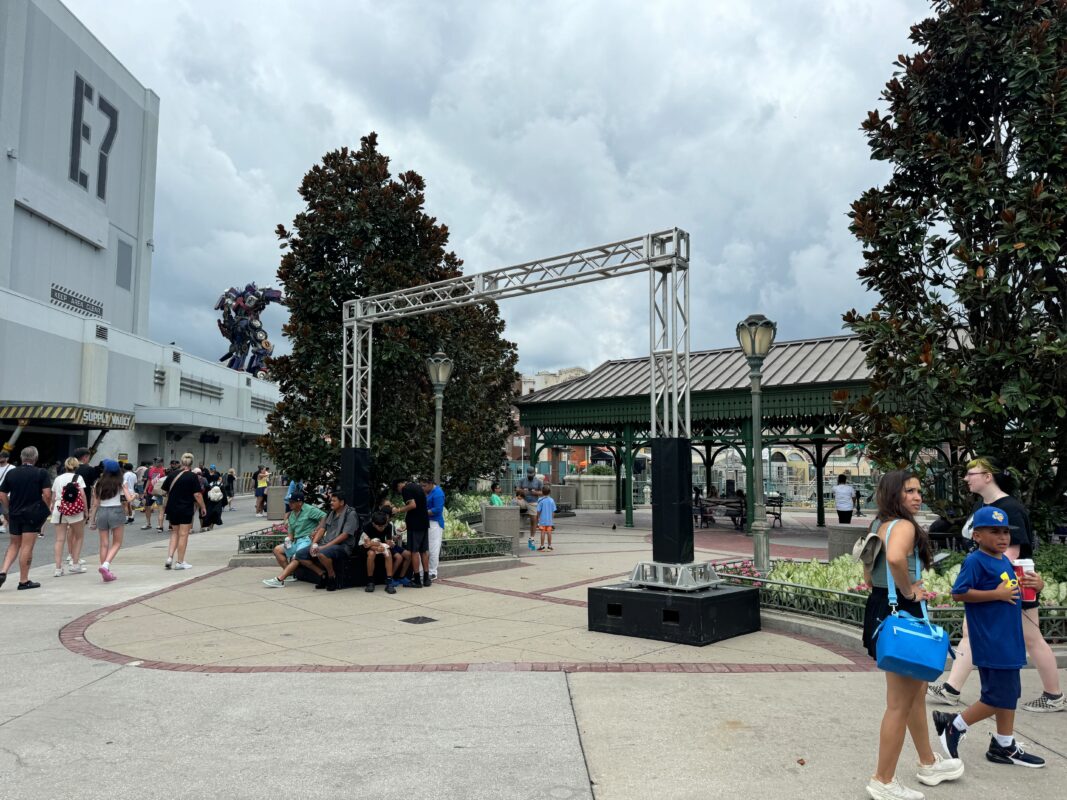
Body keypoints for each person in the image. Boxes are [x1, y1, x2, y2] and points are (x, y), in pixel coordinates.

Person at [928, 458, 1064, 713]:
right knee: (972, 632)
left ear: (988, 476)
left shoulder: (1010, 509)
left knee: (1031, 637)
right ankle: (951, 688)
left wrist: (991, 587)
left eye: (972, 473)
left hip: (1016, 586)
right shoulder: (985, 505)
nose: (967, 478)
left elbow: (1010, 554)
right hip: (999, 587)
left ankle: (1054, 694)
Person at [862, 470, 963, 800]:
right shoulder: (904, 526)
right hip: (902, 611)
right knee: (899, 704)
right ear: (894, 494)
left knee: (916, 693)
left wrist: (891, 588)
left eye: (919, 491)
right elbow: (893, 558)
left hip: (882, 607)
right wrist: (909, 589)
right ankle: (883, 779)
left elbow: (867, 568)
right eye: (909, 491)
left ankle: (928, 762)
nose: (917, 496)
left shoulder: (878, 525)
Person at [931, 506, 1046, 768]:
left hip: (1008, 638)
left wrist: (1037, 586)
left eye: (1006, 531)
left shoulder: (1004, 560)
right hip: (992, 639)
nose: (1003, 537)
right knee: (997, 696)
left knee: (1009, 693)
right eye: (994, 531)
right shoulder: (975, 561)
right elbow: (959, 593)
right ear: (977, 536)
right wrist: (996, 595)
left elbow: (1012, 591)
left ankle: (1003, 745)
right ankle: (954, 725)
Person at [0, 446, 53, 590]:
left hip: (15, 513)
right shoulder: (41, 473)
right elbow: (47, 494)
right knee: (27, 546)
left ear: (22, 458)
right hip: (32, 513)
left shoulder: (12, 473)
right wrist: (45, 508)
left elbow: (2, 494)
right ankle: (23, 580)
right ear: (35, 458)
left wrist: (9, 508)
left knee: (14, 544)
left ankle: (3, 571)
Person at [297, 490, 358, 591]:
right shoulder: (330, 513)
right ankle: (322, 574)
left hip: (343, 546)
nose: (331, 503)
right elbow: (322, 529)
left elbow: (345, 535)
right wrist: (314, 543)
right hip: (326, 543)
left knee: (321, 553)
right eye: (331, 501)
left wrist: (325, 546)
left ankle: (331, 576)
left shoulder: (350, 514)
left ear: (342, 502)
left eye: (334, 501)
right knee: (300, 555)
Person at [263, 492, 326, 588]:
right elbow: (291, 531)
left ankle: (280, 579)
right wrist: (288, 539)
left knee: (297, 555)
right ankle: (289, 574)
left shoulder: (309, 509)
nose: (289, 504)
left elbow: (324, 517)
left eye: (292, 502)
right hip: (296, 541)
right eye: (289, 501)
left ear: (299, 502)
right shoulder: (292, 514)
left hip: (307, 540)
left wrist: (316, 530)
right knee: (277, 550)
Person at [161, 453, 206, 570]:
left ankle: (169, 558)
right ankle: (180, 562)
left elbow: (164, 491)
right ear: (191, 463)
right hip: (185, 508)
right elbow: (197, 494)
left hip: (172, 508)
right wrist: (203, 507)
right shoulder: (192, 476)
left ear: (181, 462)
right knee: (183, 534)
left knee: (174, 533)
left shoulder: (172, 474)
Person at [90, 459, 128, 582]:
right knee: (117, 543)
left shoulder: (98, 483)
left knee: (104, 544)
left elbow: (95, 504)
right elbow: (127, 498)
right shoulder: (121, 482)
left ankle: (105, 572)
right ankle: (106, 565)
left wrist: (92, 520)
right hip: (116, 511)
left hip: (102, 512)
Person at [50, 457, 87, 576]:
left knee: (59, 539)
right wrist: (86, 510)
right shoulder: (78, 478)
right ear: (76, 466)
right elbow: (82, 495)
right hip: (74, 508)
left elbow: (54, 495)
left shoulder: (58, 478)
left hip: (59, 507)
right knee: (79, 536)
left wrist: (52, 507)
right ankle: (75, 564)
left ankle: (58, 568)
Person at [391, 477, 430, 587]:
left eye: (398, 490)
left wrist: (398, 510)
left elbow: (412, 505)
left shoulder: (406, 489)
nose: (400, 492)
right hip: (423, 522)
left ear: (399, 486)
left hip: (415, 525)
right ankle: (426, 579)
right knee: (424, 550)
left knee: (414, 551)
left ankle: (417, 579)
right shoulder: (417, 486)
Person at [358, 511, 398, 594]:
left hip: (381, 545)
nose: (382, 528)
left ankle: (389, 581)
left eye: (384, 525)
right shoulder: (367, 527)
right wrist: (376, 547)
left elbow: (388, 541)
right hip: (367, 547)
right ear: (373, 524)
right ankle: (370, 581)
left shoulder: (388, 526)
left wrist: (389, 543)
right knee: (371, 554)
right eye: (379, 526)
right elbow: (367, 544)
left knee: (388, 553)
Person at [421, 476, 445, 581]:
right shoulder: (427, 492)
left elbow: (437, 509)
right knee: (426, 548)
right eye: (421, 485)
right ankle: (425, 571)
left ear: (431, 484)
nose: (422, 488)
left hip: (435, 523)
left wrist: (421, 513)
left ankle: (432, 572)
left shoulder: (438, 493)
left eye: (424, 486)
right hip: (426, 522)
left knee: (433, 549)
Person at [518, 467, 543, 544]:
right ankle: (518, 529)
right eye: (529, 474)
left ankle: (532, 537)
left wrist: (535, 492)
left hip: (533, 501)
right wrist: (522, 491)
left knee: (534, 519)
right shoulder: (522, 480)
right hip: (523, 500)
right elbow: (517, 489)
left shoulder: (539, 481)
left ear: (534, 473)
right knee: (514, 502)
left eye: (531, 474)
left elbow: (542, 492)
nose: (530, 476)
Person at [141, 458, 167, 531]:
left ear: (162, 462)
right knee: (147, 506)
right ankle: (148, 523)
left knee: (160, 508)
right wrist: (145, 489)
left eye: (157, 462)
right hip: (150, 491)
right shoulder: (151, 469)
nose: (156, 463)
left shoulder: (164, 470)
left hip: (159, 492)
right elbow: (149, 480)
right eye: (155, 462)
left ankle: (160, 525)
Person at [536, 485, 557, 551]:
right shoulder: (552, 500)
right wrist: (552, 518)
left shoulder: (540, 500)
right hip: (549, 520)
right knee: (549, 532)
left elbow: (538, 510)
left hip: (542, 520)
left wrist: (538, 518)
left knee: (542, 532)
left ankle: (542, 546)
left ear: (542, 492)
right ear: (550, 492)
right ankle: (549, 546)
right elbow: (554, 511)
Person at [0, 450, 13, 534]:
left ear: (7, 458)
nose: (0, 458)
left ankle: (8, 525)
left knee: (6, 512)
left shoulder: (12, 468)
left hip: (7, 493)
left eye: (2, 457)